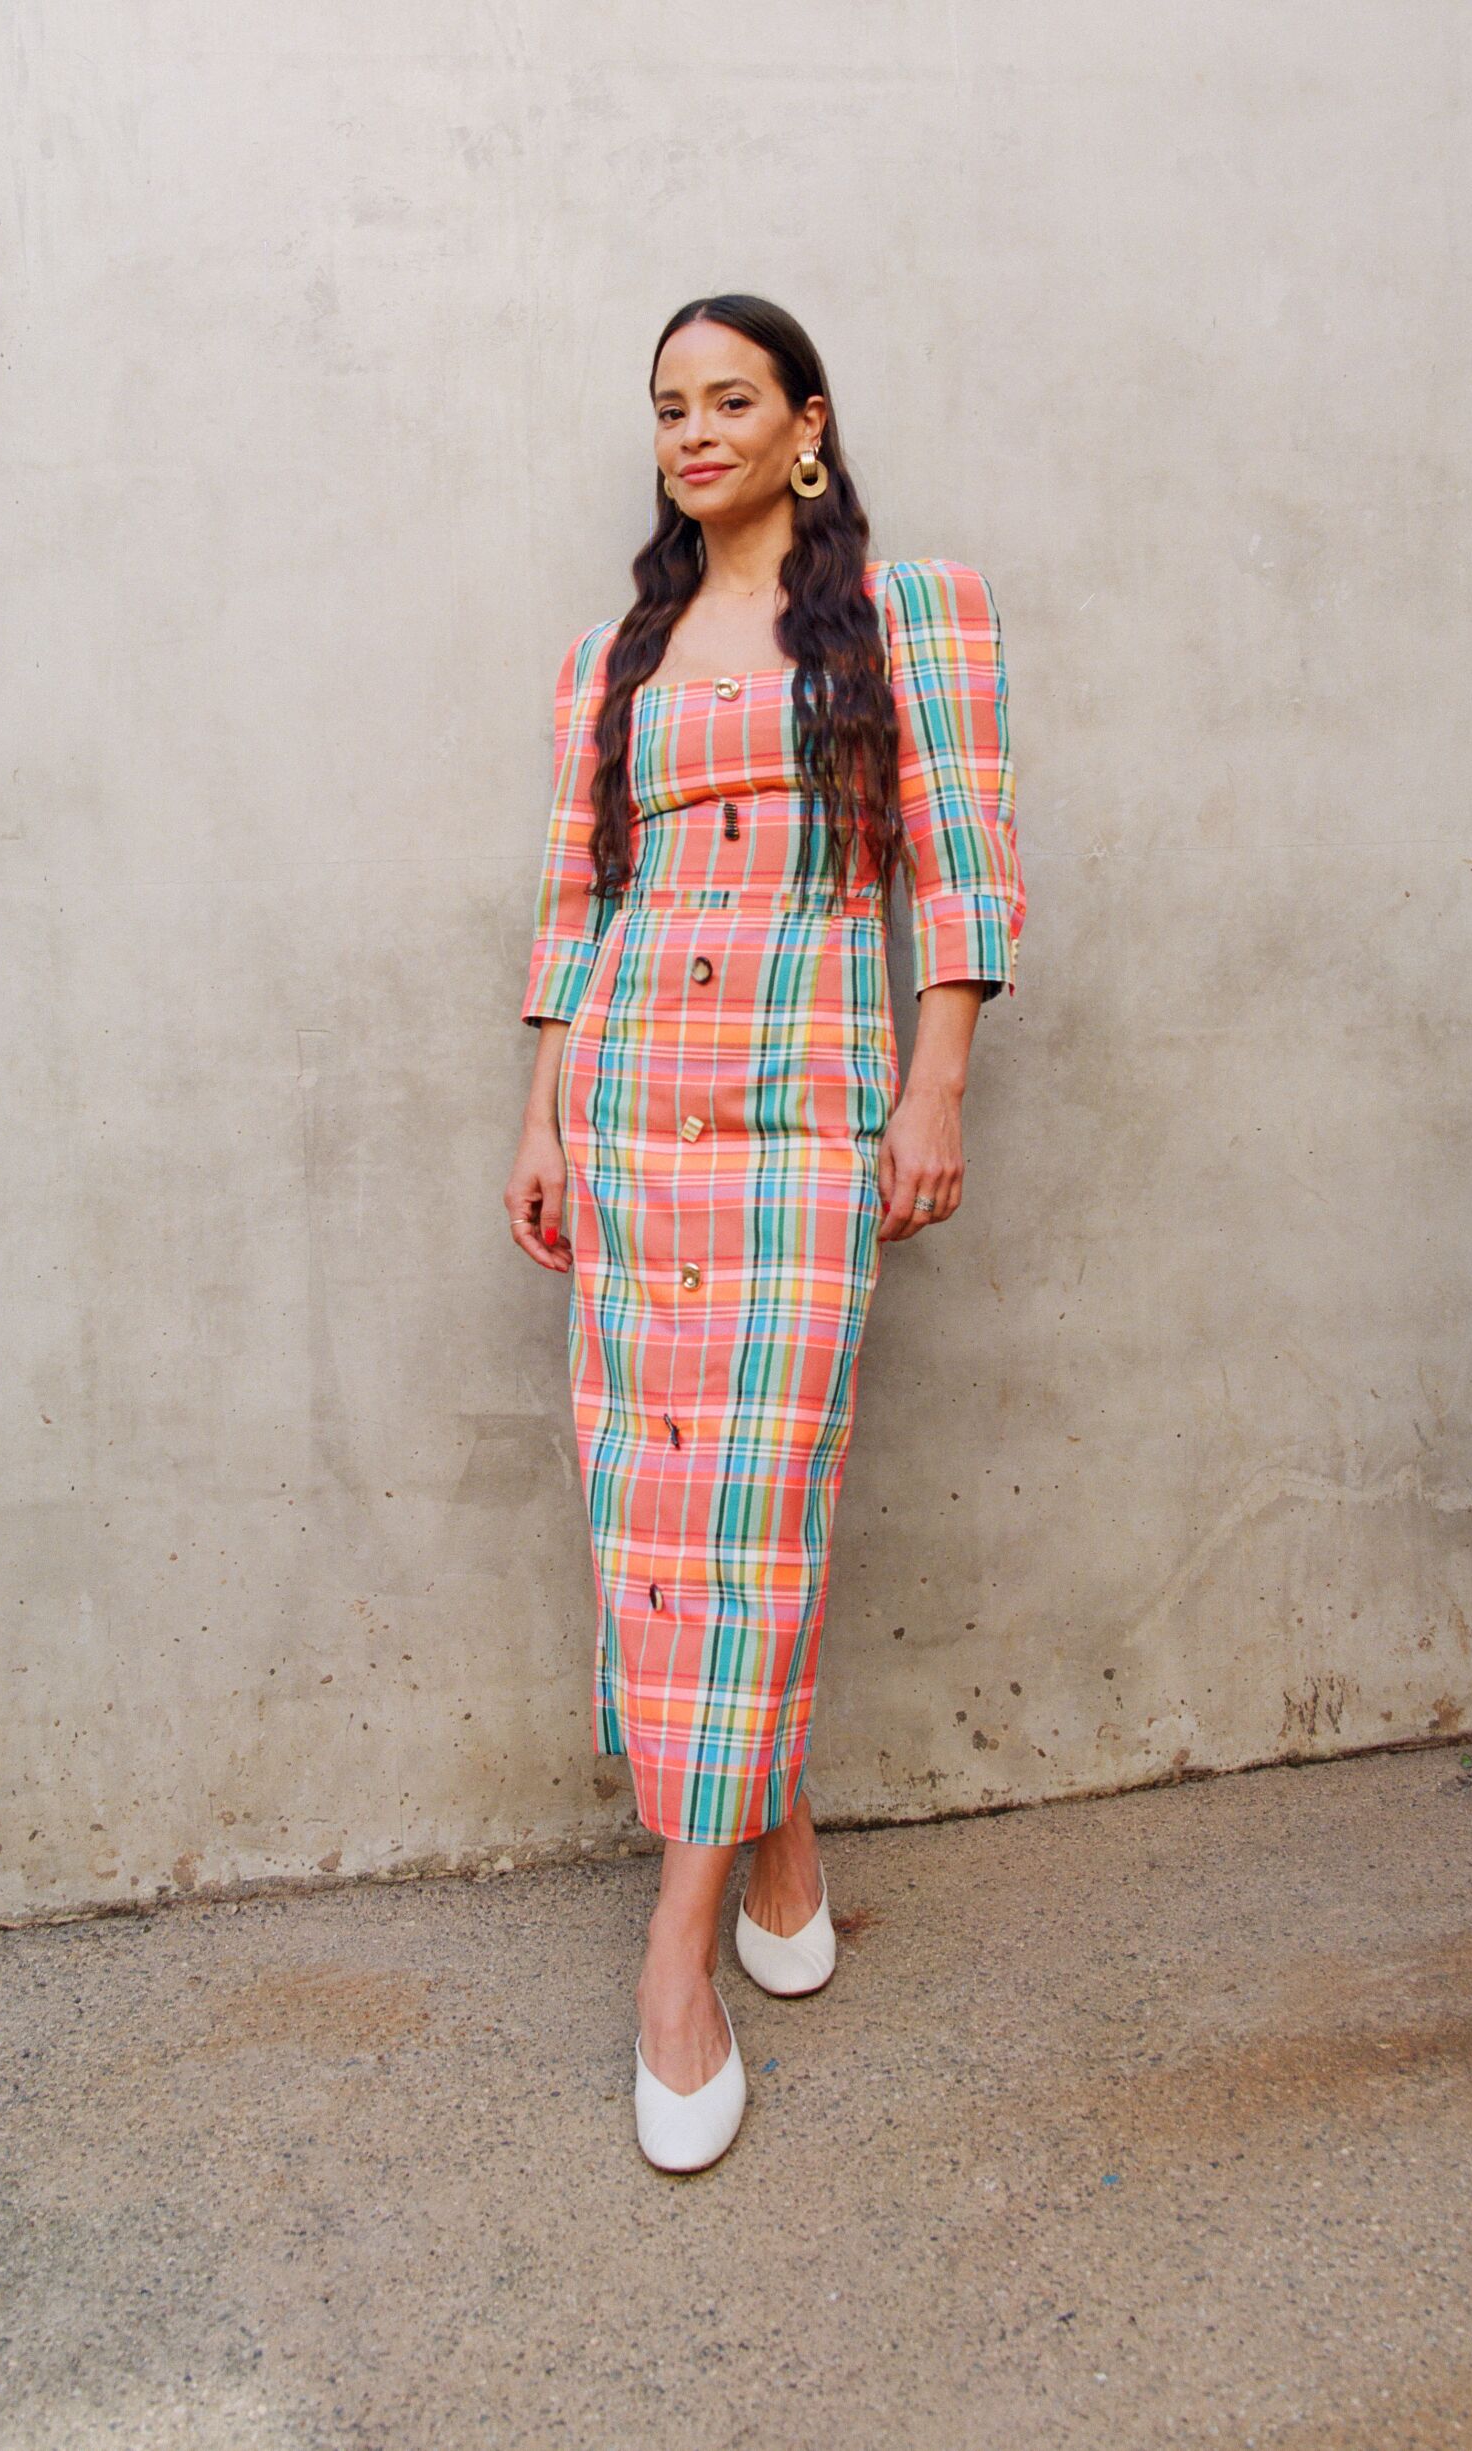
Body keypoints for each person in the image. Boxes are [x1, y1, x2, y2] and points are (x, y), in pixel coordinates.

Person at [504, 293, 1025, 2171]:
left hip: (806, 1104)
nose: (693, 430)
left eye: (731, 400)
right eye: (667, 406)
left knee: (759, 1486)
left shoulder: (913, 618)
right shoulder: (616, 656)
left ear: (809, 421)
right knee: (651, 1495)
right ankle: (778, 1842)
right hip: (638, 1108)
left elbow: (962, 858)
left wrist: (937, 1080)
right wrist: (545, 1111)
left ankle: (674, 1950)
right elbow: (579, 897)